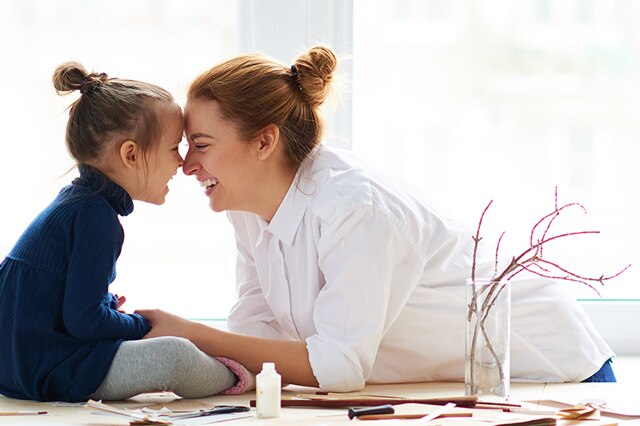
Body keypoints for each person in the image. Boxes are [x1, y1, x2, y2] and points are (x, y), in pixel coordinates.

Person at [139, 45, 616, 392]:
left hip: (555, 377)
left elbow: (337, 367)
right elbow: (254, 331)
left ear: (265, 142)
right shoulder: (249, 211)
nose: (186, 165)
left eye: (201, 145)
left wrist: (190, 333)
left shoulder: (353, 207)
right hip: (459, 385)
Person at [0, 62, 253, 403]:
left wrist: (106, 308)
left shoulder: (75, 204)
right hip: (48, 368)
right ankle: (246, 376)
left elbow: (58, 304)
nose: (181, 162)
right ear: (131, 154)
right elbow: (85, 323)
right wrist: (143, 325)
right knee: (174, 354)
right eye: (172, 148)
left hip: (15, 367)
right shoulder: (96, 218)